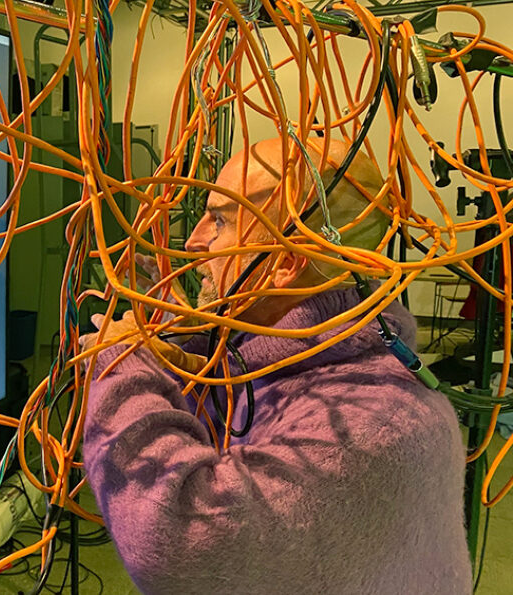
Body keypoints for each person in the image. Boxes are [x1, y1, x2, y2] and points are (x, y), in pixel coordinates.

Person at [80, 138, 471, 594]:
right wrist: (187, 332)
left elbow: (187, 542)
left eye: (220, 219)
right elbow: (238, 423)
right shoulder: (309, 361)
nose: (194, 241)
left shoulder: (374, 426)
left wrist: (120, 365)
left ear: (285, 262)